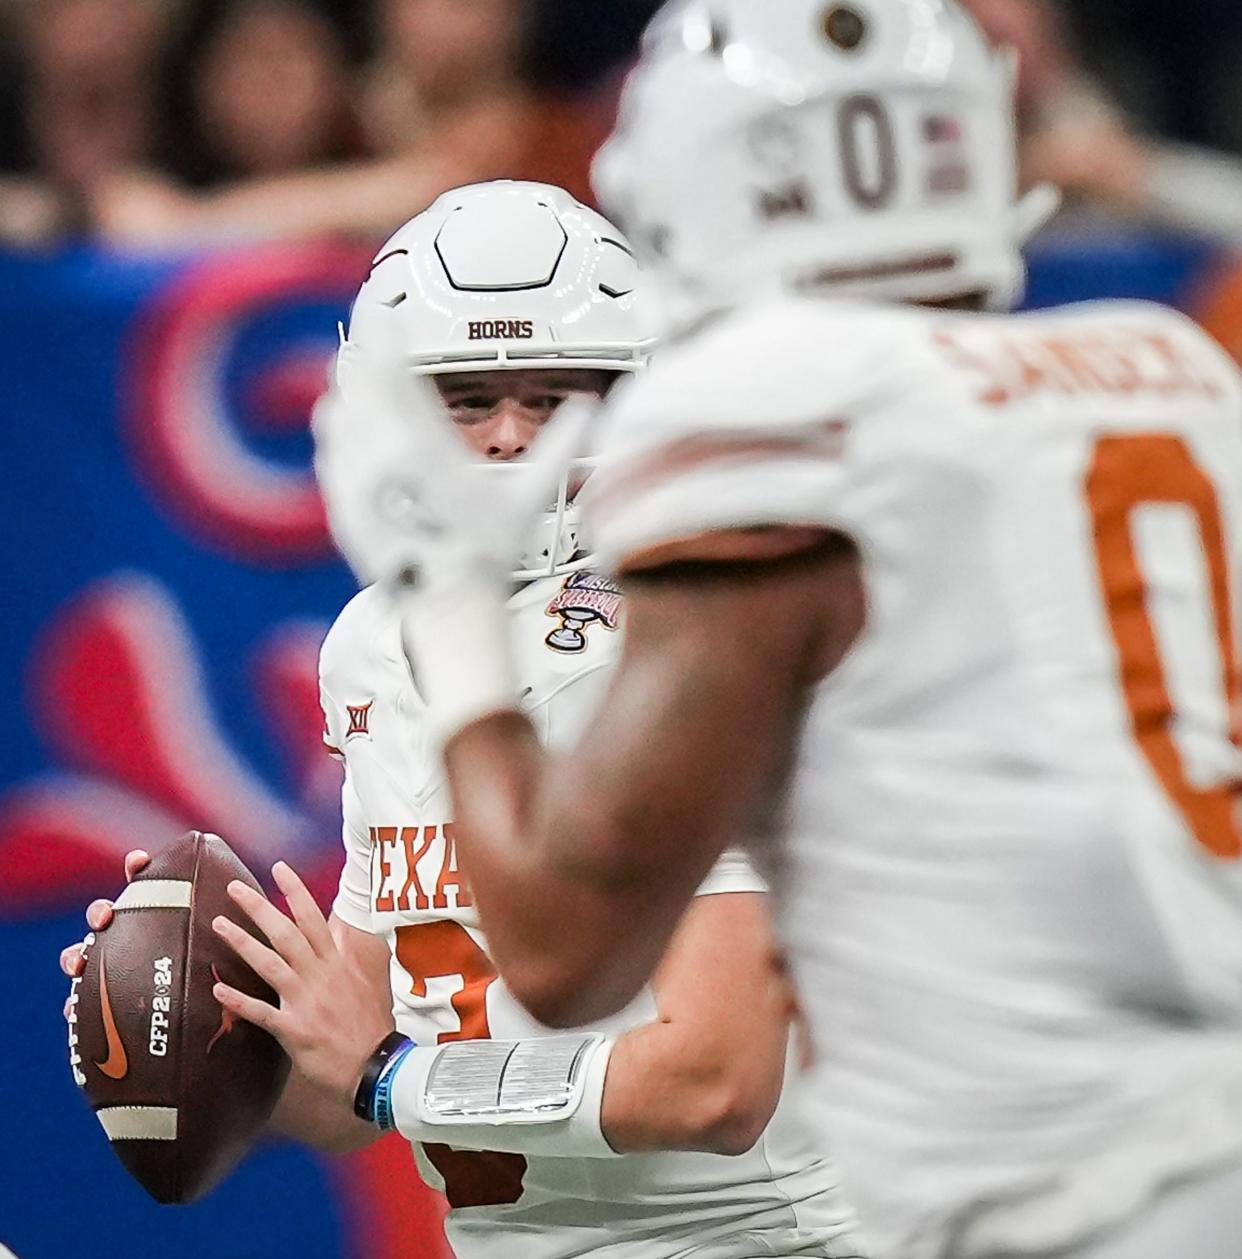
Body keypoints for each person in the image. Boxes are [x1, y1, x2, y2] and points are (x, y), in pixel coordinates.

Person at [301, 4, 1242, 1259]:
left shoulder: (780, 427)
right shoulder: (1167, 366)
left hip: (1039, 1186)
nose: (519, 437)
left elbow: (572, 960)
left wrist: (455, 592)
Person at [62, 182, 866, 1259]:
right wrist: (202, 1024)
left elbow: (715, 1081)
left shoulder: (693, 621)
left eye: (553, 398)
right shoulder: (377, 642)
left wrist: (394, 1072)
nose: (509, 441)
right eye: (469, 398)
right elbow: (348, 1084)